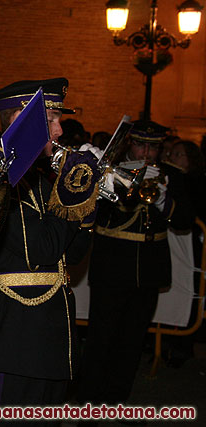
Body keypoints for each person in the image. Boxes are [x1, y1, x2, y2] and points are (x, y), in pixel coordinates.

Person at [0, 78, 99, 421]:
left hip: (53, 328)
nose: (58, 132)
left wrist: (84, 207)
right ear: (19, 122)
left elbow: (71, 255)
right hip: (17, 335)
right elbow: (39, 251)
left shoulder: (41, 177)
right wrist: (72, 198)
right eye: (51, 121)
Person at [77, 120, 194, 408]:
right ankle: (89, 404)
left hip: (150, 269)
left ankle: (117, 400)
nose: (148, 152)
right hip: (113, 267)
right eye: (141, 145)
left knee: (132, 341)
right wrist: (125, 182)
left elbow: (185, 221)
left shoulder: (169, 176)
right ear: (130, 144)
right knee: (101, 339)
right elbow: (99, 215)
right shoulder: (109, 173)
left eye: (153, 147)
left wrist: (163, 200)